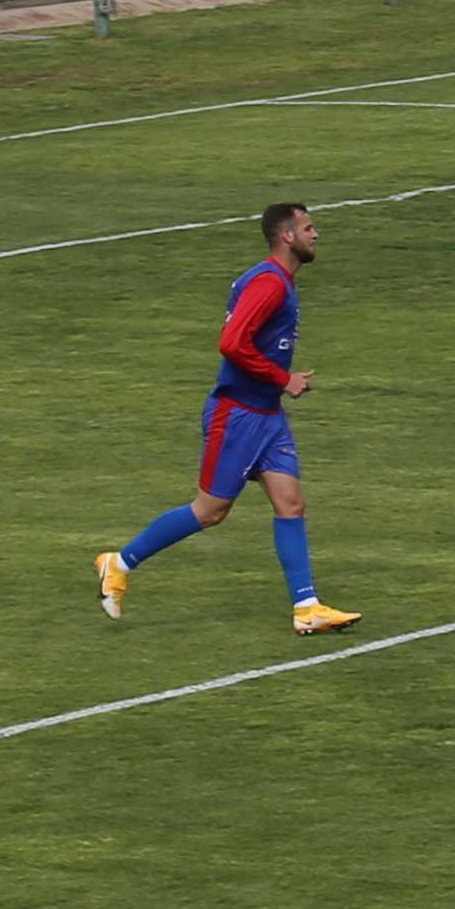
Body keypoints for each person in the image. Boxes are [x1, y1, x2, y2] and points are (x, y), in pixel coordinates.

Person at [96, 199, 356, 632]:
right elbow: (232, 344)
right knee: (210, 510)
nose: (316, 234)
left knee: (290, 504)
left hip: (266, 415)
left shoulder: (274, 281)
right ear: (286, 235)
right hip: (238, 415)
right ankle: (119, 563)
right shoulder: (270, 284)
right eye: (308, 228)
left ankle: (307, 608)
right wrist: (282, 378)